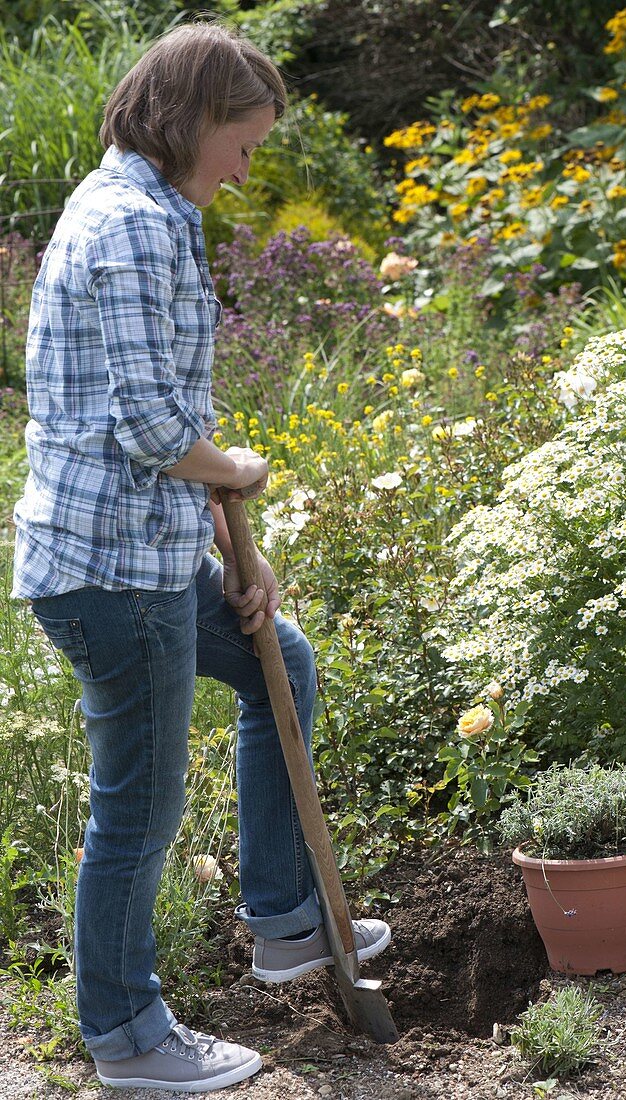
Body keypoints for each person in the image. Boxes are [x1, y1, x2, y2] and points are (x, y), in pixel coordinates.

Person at [12, 22, 391, 1093]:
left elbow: (169, 406)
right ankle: (128, 1033)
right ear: (193, 120)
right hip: (111, 573)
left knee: (291, 663)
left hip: (154, 550)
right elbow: (146, 425)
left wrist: (233, 541)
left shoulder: (156, 214)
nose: (248, 167)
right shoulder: (129, 224)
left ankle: (283, 918)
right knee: (140, 807)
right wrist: (244, 472)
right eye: (246, 142)